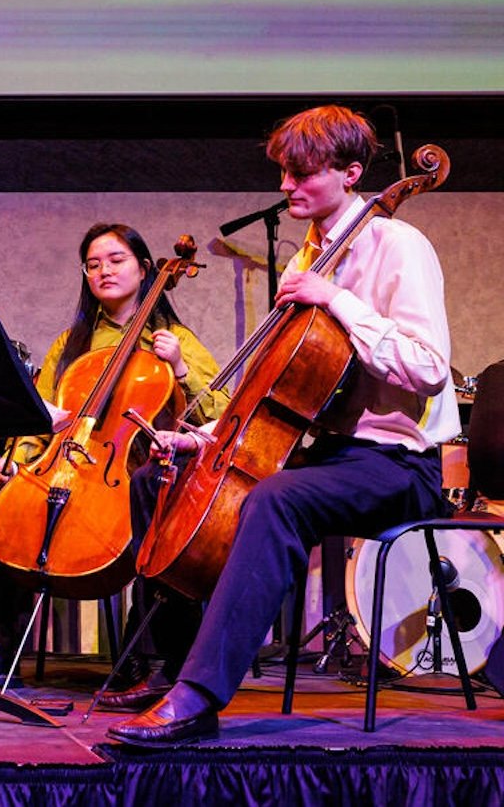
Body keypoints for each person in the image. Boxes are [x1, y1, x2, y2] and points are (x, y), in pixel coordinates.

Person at [109, 105, 460, 746]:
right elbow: (284, 395)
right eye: (283, 173)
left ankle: (199, 696)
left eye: (301, 174)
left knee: (273, 500)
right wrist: (209, 441)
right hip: (332, 455)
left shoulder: (397, 246)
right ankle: (168, 666)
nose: (286, 187)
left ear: (351, 173)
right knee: (161, 482)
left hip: (399, 465)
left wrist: (339, 300)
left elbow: (430, 368)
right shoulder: (313, 253)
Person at [0, 223, 228, 689]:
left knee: (156, 518)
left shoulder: (174, 339)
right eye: (93, 265)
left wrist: (180, 368)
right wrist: (16, 460)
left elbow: (219, 414)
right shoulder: (69, 346)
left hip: (133, 477)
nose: (103, 271)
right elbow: (40, 415)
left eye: (115, 260)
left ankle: (141, 657)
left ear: (145, 269)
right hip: (63, 467)